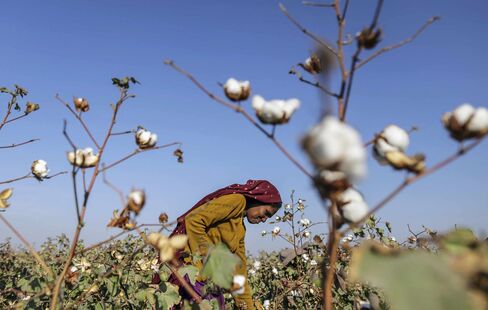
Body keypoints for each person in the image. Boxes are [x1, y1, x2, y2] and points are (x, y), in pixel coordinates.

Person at [153, 179, 282, 309]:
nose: (264, 219)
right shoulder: (237, 200)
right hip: (194, 277)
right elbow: (194, 220)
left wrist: (247, 306)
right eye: (266, 213)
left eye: (268, 218)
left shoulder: (240, 229)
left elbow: (239, 270)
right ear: (258, 199)